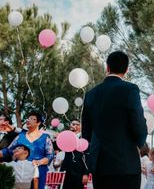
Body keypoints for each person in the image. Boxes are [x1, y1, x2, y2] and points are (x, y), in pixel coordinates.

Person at [82, 51, 148, 189]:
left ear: (107, 67)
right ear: (126, 69)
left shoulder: (91, 94)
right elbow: (138, 122)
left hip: (100, 164)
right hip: (125, 162)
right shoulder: (130, 89)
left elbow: (86, 132)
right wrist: (140, 141)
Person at [0, 111, 54, 189]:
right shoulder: (21, 136)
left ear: (38, 123)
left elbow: (50, 155)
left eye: (32, 119)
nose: (28, 120)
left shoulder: (45, 137)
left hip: (39, 172)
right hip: (21, 173)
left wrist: (39, 162)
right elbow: (8, 150)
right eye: (28, 118)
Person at [60, 119, 89, 189]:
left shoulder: (84, 138)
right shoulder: (67, 138)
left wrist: (86, 174)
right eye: (73, 124)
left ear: (81, 127)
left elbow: (87, 156)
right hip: (67, 171)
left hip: (79, 171)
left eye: (77, 124)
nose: (74, 126)